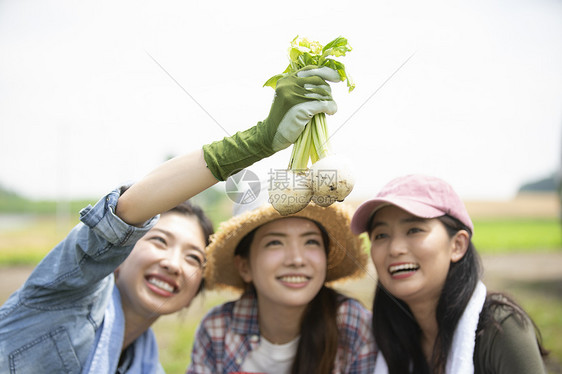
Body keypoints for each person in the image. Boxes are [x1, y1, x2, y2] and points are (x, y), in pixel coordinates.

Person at [0, 66, 340, 374]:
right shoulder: (63, 299)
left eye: (193, 257)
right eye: (159, 241)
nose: (174, 264)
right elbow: (125, 215)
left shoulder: (148, 367)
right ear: (119, 254)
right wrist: (259, 141)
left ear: (195, 291)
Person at [350, 174, 549, 374]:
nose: (395, 249)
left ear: (457, 245)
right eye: (381, 235)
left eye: (414, 230)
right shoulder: (383, 337)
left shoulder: (500, 328)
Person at [187, 187, 377, 374]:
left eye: (311, 241)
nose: (296, 260)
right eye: (275, 243)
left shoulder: (354, 325)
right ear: (244, 267)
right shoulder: (217, 329)